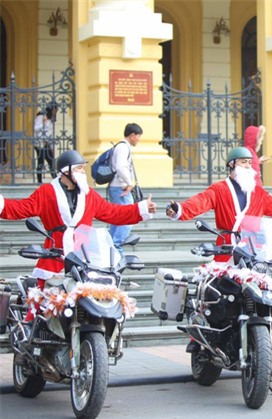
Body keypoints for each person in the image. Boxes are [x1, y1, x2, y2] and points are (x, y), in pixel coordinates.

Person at [0, 149, 156, 320]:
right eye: (79, 168)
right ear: (66, 171)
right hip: (55, 257)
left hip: (85, 259)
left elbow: (113, 212)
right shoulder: (47, 192)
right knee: (42, 308)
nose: (83, 172)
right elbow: (21, 208)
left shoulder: (89, 195)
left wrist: (141, 209)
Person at [166, 147, 272, 263]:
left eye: (250, 163)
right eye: (244, 162)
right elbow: (200, 202)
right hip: (227, 248)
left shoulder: (258, 193)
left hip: (255, 250)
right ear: (232, 164)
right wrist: (180, 209)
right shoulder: (219, 189)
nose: (248, 166)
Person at [108, 123, 144, 255]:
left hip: (117, 187)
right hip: (121, 188)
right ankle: (116, 246)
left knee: (117, 219)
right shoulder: (123, 147)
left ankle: (111, 248)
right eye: (138, 136)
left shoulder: (121, 147)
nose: (139, 139)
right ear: (132, 135)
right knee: (128, 218)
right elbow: (120, 167)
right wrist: (130, 183)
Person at [33, 103, 58, 184]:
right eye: (54, 110)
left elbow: (50, 133)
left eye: (56, 110)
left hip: (47, 143)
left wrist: (52, 146)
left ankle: (56, 180)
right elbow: (36, 128)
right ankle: (39, 181)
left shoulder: (51, 119)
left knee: (51, 161)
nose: (55, 112)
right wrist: (43, 123)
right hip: (39, 144)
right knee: (41, 162)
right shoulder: (41, 116)